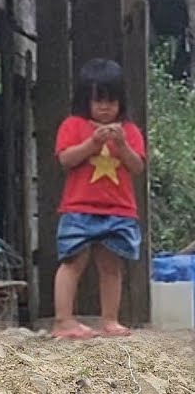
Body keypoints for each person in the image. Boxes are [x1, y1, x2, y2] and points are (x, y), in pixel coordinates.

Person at [52, 58, 146, 340]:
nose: (105, 107)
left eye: (112, 101)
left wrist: (122, 144)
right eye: (98, 101)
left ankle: (110, 320)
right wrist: (93, 143)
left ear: (121, 102)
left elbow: (137, 166)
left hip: (118, 210)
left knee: (111, 267)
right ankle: (63, 321)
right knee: (72, 262)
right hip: (78, 207)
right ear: (86, 100)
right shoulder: (73, 125)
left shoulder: (130, 131)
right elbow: (66, 159)